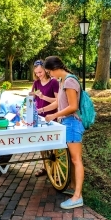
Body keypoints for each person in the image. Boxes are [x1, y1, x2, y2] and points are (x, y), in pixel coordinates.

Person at [39, 56, 85, 209]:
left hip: (72, 123)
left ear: (55, 69)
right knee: (72, 159)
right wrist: (42, 110)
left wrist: (54, 115)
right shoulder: (62, 81)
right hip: (66, 123)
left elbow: (73, 106)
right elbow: (59, 102)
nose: (50, 75)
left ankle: (77, 197)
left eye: (49, 72)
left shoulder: (70, 81)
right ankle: (72, 187)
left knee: (76, 159)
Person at [29, 59, 59, 177]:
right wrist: (33, 94)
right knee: (42, 143)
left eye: (40, 72)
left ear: (46, 71)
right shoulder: (36, 83)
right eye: (36, 73)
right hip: (39, 116)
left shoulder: (54, 83)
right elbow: (31, 94)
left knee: (51, 144)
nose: (38, 75)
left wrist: (43, 97)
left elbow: (57, 100)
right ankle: (46, 166)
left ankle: (53, 167)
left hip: (50, 116)